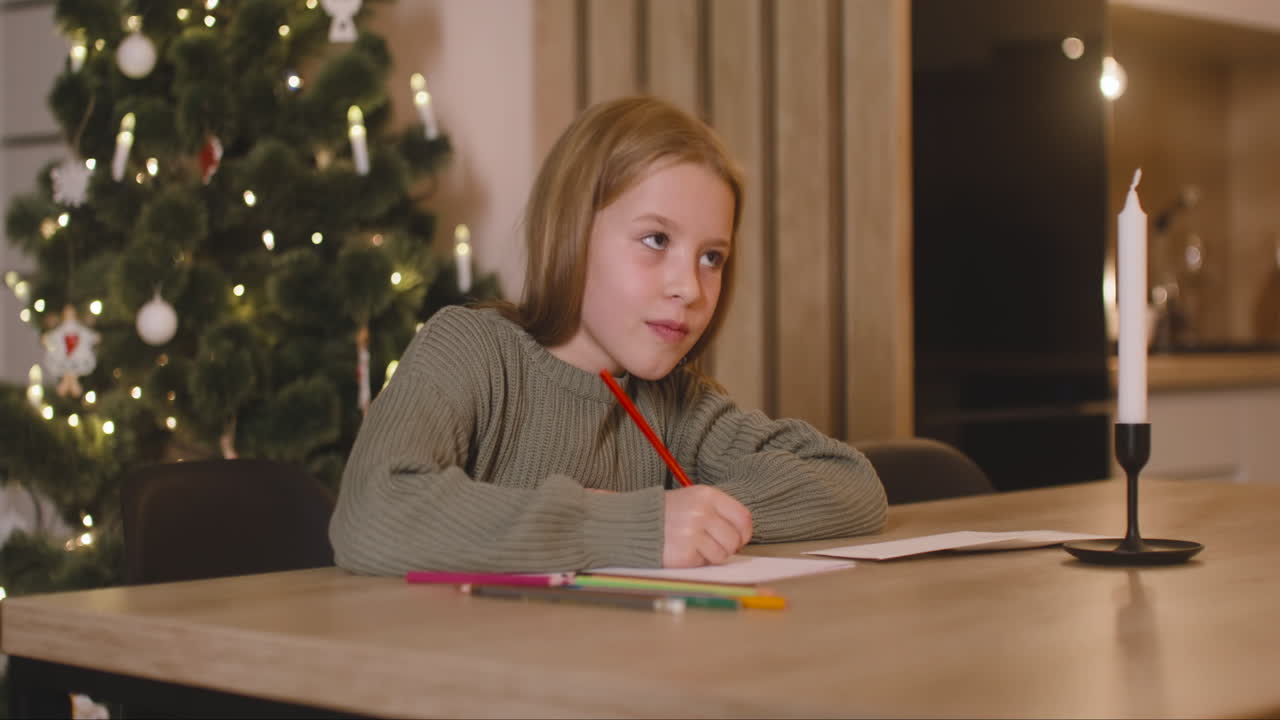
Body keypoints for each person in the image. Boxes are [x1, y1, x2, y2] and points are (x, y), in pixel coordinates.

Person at [329, 96, 886, 575]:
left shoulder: (678, 404)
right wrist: (633, 525)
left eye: (711, 257)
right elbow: (373, 511)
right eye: (655, 240)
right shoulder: (471, 350)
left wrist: (695, 520)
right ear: (569, 234)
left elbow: (850, 485)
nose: (689, 288)